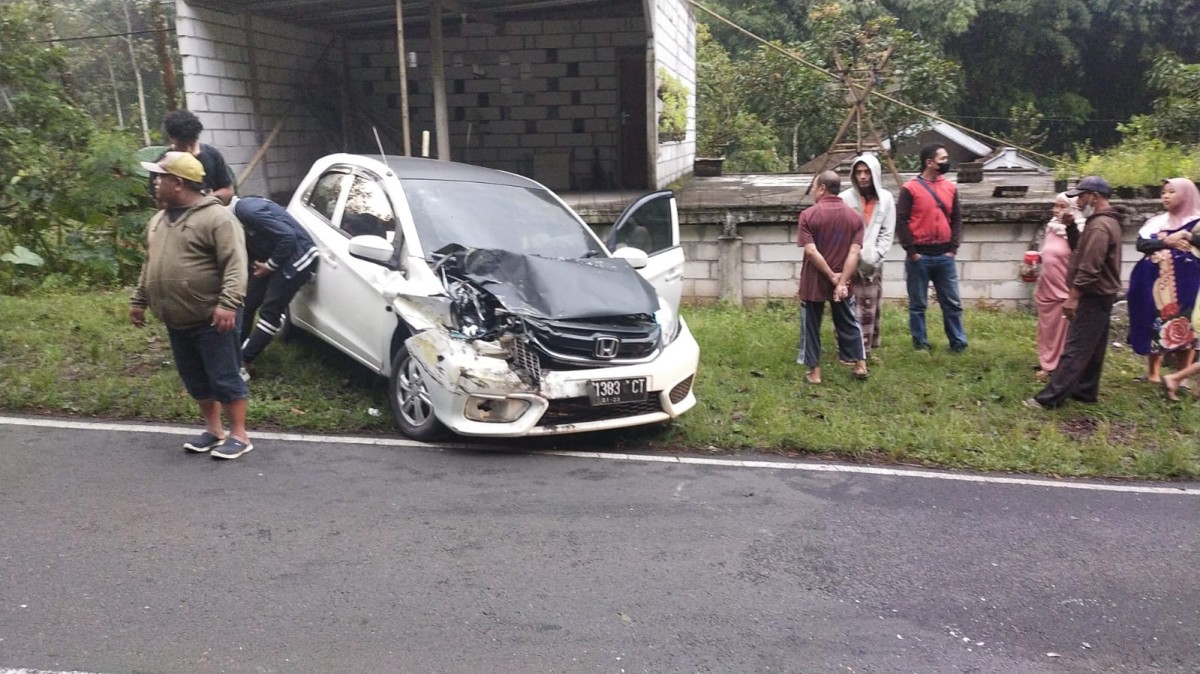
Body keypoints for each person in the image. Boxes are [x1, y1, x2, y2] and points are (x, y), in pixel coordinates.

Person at [130, 151, 253, 459]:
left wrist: (228, 304)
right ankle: (213, 431)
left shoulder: (218, 218)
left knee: (224, 376)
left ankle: (239, 434)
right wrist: (139, 299)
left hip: (212, 317)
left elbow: (236, 265)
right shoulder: (158, 220)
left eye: (161, 177)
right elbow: (150, 264)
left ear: (179, 183)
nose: (155, 183)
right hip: (177, 318)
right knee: (195, 378)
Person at [1025, 176, 1122, 410]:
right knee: (1094, 346)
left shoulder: (1099, 226)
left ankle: (1048, 399)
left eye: (1081, 195)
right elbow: (1080, 249)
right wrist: (1070, 226)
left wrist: (1074, 296)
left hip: (1093, 295)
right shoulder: (1104, 222)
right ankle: (1085, 391)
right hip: (1103, 295)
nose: (1077, 201)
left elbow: (1090, 266)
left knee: (1075, 348)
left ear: (1094, 197)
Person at [232, 196, 320, 378]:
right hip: (273, 255)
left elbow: (288, 237)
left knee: (270, 311)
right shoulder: (240, 216)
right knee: (248, 302)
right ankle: (235, 351)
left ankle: (245, 360)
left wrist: (270, 266)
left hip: (298, 255)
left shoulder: (246, 211)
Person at [796, 170, 868, 383]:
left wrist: (830, 276)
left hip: (814, 280)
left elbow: (811, 251)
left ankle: (815, 373)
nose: (812, 193)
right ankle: (860, 364)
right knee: (848, 320)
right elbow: (854, 252)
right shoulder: (855, 217)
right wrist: (842, 281)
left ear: (822, 188)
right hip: (843, 281)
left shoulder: (808, 215)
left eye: (814, 188)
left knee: (811, 325)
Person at [1125, 177, 1200, 383]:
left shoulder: (1197, 222)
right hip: (1155, 284)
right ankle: (1153, 373)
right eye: (1163, 192)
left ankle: (1180, 377)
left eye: (1171, 192)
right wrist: (1166, 241)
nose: (1165, 196)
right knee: (1155, 323)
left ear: (1186, 195)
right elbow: (1142, 244)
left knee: (1186, 328)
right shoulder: (1157, 222)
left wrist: (1187, 236)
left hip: (1188, 285)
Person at [895, 142, 968, 352]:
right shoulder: (910, 188)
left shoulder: (950, 187)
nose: (946, 162)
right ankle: (920, 344)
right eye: (942, 159)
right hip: (920, 256)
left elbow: (957, 219)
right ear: (929, 162)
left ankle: (958, 343)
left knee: (952, 303)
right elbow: (901, 221)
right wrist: (912, 252)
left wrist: (953, 248)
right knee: (918, 305)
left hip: (945, 255)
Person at [839, 151, 895, 358]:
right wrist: (850, 257)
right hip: (849, 262)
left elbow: (887, 232)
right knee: (849, 307)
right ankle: (847, 351)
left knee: (869, 307)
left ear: (875, 174)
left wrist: (876, 256)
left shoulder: (887, 199)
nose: (863, 176)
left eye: (867, 172)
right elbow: (840, 231)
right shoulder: (844, 199)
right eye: (859, 172)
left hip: (873, 264)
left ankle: (867, 351)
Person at [1032, 192, 1084, 381]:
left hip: (1063, 288)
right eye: (1055, 205)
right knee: (1047, 328)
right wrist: (1037, 258)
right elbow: (1049, 253)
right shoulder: (1052, 227)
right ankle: (1046, 360)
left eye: (1062, 206)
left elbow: (1079, 258)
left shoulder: (1079, 230)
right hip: (1047, 285)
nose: (1056, 210)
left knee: (1062, 330)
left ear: (1074, 208)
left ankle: (1057, 366)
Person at [158, 109, 235, 205]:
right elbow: (160, 203)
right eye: (182, 145)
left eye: (192, 144)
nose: (189, 149)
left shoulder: (212, 155)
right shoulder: (163, 163)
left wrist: (207, 198)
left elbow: (228, 191)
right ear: (172, 139)